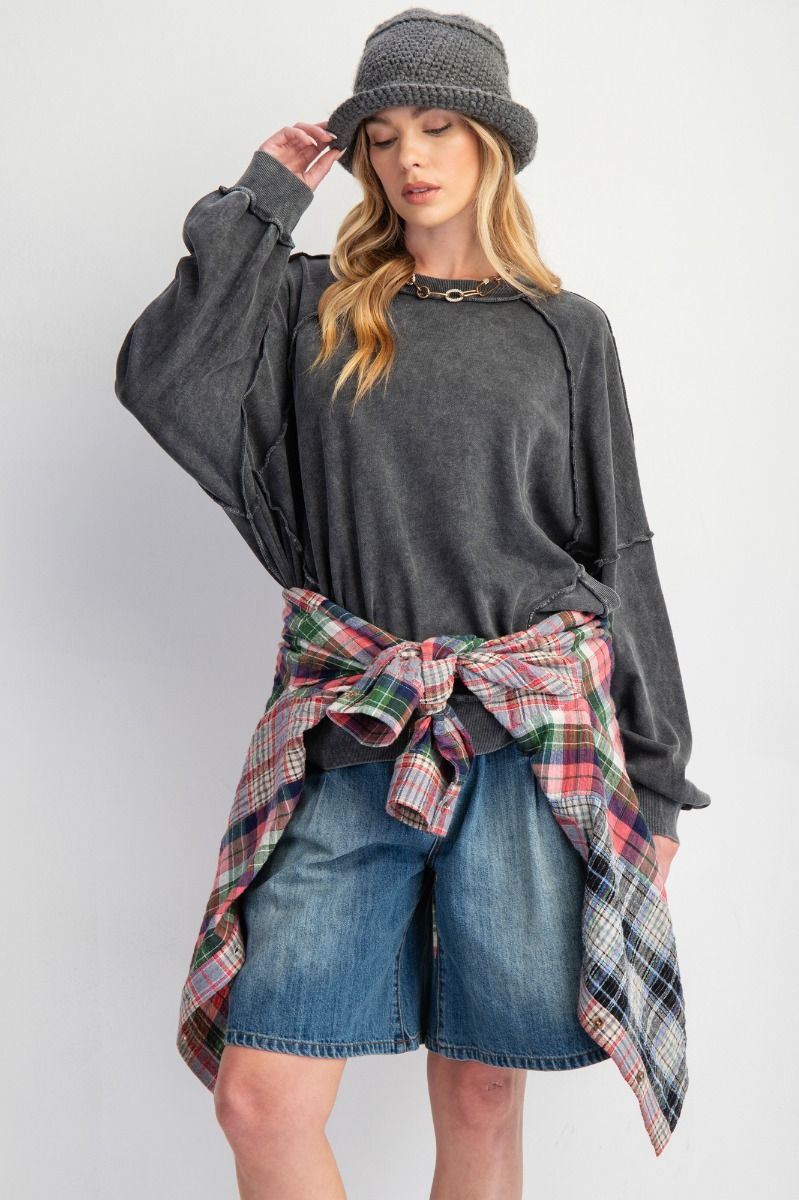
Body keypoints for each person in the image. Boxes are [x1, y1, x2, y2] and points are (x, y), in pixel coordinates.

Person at [114, 8, 711, 1197]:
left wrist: (656, 777)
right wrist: (263, 201)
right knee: (261, 1100)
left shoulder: (566, 332)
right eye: (381, 136)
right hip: (355, 731)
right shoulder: (311, 304)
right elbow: (161, 375)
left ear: (490, 140)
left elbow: (617, 549)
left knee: (483, 1093)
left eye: (436, 126)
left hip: (528, 744)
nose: (406, 158)